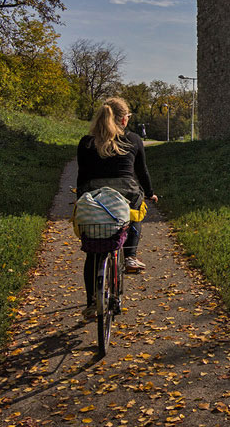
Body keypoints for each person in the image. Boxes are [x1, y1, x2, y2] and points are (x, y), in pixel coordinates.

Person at [76, 97, 158, 320]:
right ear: (124, 118)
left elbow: (82, 175)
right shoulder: (132, 139)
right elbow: (142, 173)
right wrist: (150, 193)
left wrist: (81, 198)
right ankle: (130, 254)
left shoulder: (86, 142)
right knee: (137, 207)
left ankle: (92, 302)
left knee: (93, 253)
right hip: (126, 194)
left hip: (94, 195)